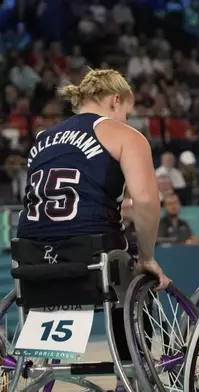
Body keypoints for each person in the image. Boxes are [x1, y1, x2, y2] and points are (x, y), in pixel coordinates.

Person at [16, 68, 170, 391]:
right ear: (115, 101)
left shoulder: (42, 139)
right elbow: (144, 200)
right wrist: (147, 256)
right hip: (94, 256)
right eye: (126, 113)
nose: (126, 120)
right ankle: (129, 376)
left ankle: (39, 367)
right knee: (135, 279)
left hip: (31, 260)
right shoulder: (124, 135)